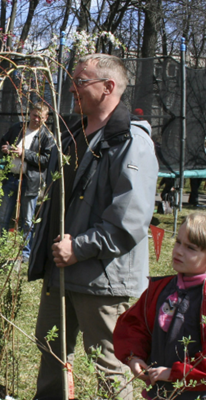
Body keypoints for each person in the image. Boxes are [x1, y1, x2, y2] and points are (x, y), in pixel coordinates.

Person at [28, 54, 159, 399]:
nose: (73, 88)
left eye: (81, 82)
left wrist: (79, 248)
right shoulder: (72, 134)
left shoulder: (129, 141)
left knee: (108, 362)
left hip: (101, 275)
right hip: (60, 268)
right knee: (51, 348)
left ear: (108, 87)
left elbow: (129, 219)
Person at [113, 212, 206, 400]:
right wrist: (135, 357)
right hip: (160, 391)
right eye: (178, 242)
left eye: (190, 248)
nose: (178, 251)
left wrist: (175, 373)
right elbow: (135, 326)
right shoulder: (160, 289)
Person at [0, 102, 54, 262]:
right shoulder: (17, 128)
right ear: (29, 114)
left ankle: (26, 254)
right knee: (2, 216)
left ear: (46, 118)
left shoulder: (47, 136)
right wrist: (5, 149)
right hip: (11, 179)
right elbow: (2, 142)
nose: (36, 119)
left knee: (27, 220)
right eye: (34, 115)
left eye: (40, 117)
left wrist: (24, 153)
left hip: (30, 182)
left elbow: (46, 160)